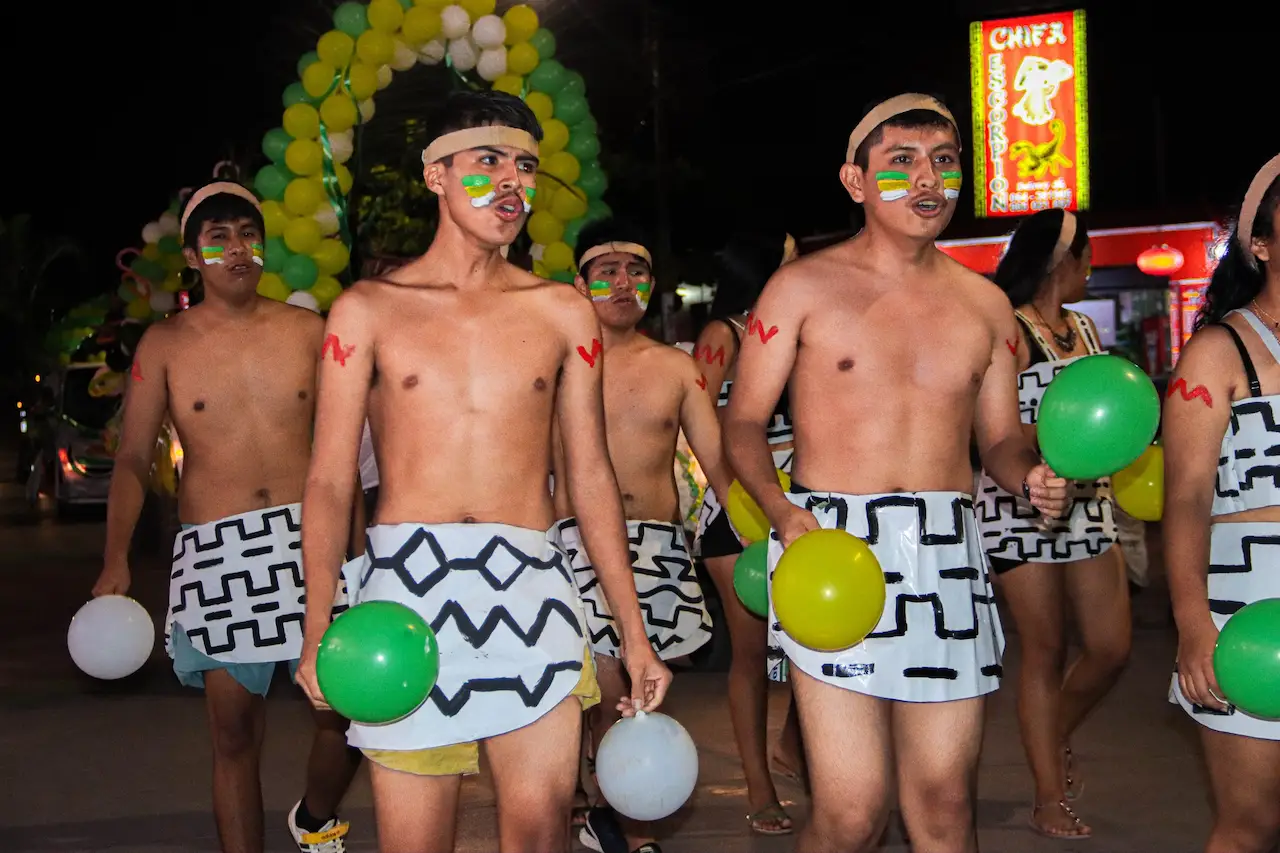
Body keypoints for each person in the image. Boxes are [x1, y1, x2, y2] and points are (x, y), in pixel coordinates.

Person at [295, 90, 672, 853]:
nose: (511, 183)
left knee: (538, 836)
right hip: (404, 599)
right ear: (435, 174)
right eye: (489, 160)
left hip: (532, 589)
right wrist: (315, 624)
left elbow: (590, 476)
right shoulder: (366, 311)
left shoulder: (562, 312)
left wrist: (634, 632)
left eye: (525, 166)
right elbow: (330, 480)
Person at [723, 93, 1069, 853]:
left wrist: (1030, 476)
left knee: (945, 810)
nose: (927, 180)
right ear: (855, 181)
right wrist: (780, 510)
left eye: (943, 162)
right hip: (830, 547)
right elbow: (742, 423)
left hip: (948, 554)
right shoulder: (800, 288)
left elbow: (1000, 440)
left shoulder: (987, 307)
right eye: (901, 162)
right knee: (852, 815)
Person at [90, 181, 362, 853]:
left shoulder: (310, 331)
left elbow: (344, 455)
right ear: (192, 257)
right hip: (217, 553)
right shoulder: (164, 345)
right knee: (234, 733)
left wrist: (359, 554)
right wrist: (115, 559)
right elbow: (132, 458)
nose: (237, 248)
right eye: (219, 238)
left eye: (247, 234)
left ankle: (314, 815)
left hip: (311, 538)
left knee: (351, 713)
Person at [551, 220, 733, 853]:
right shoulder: (555, 367)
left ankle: (614, 812)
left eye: (637, 271)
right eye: (607, 271)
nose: (624, 282)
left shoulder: (678, 369)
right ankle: (629, 832)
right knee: (608, 689)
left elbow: (719, 465)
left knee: (643, 695)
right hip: (575, 547)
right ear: (580, 285)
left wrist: (766, 531)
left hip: (658, 549)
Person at [974, 208, 1131, 838]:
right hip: (1019, 501)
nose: (1091, 270)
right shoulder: (1008, 328)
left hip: (1088, 502)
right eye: (1087, 258)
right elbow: (989, 426)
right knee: (1045, 650)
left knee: (1112, 647)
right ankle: (1047, 797)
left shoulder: (1085, 328)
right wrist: (1062, 435)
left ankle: (1051, 732)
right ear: (1063, 260)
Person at [1165, 152, 1280, 853]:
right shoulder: (1219, 350)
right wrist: (1191, 622)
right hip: (1250, 611)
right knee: (1251, 824)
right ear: (1260, 244)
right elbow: (1185, 497)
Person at [689, 231, 805, 837]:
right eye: (789, 260)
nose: (800, 268)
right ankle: (759, 787)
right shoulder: (724, 335)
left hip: (798, 503)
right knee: (753, 655)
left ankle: (793, 748)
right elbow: (696, 419)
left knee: (814, 647)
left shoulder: (796, 330)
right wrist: (734, 498)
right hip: (736, 510)